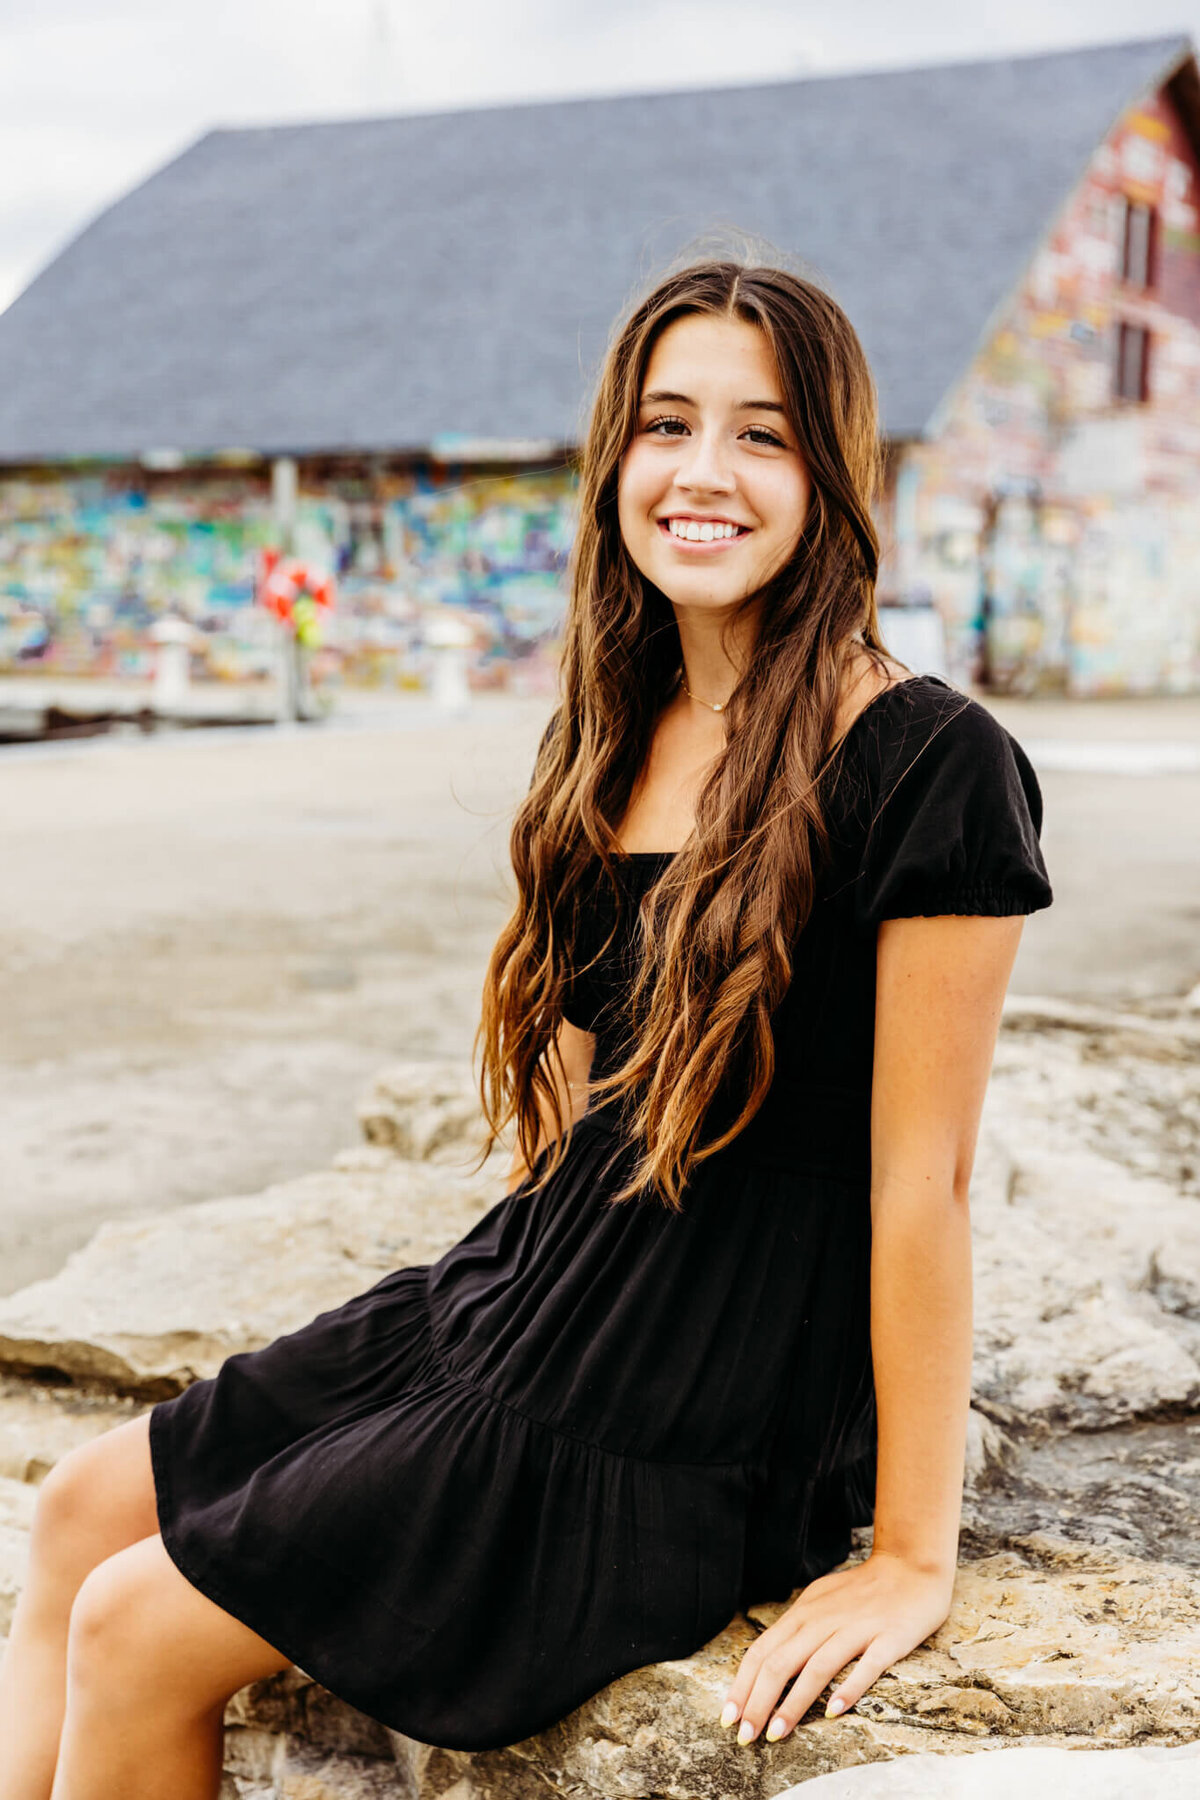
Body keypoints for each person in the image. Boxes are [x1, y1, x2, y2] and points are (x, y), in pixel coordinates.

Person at [0, 258, 1052, 1796]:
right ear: (611, 460)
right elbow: (577, 1108)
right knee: (78, 1514)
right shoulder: (614, 727)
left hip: (680, 1401)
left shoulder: (929, 759)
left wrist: (906, 1555)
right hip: (529, 1304)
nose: (704, 473)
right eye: (665, 424)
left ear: (832, 474)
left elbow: (927, 1182)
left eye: (762, 436)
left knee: (140, 1626)